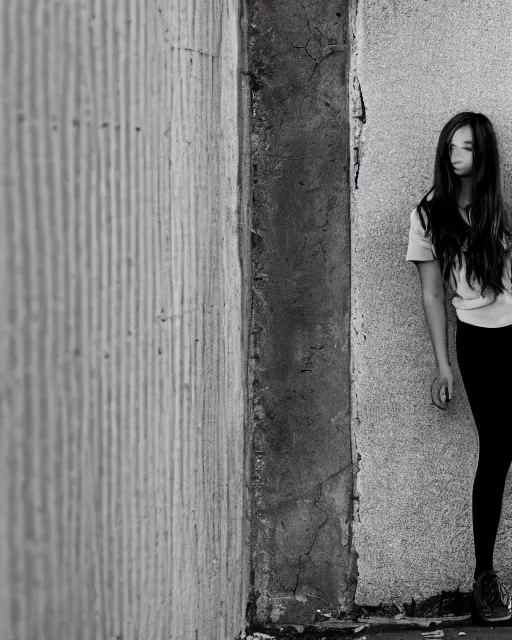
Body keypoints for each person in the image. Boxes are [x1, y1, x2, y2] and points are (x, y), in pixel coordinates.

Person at [406, 111, 512, 624]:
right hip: (479, 343)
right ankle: (484, 576)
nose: (455, 154)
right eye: (450, 145)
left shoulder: (502, 208)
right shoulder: (428, 214)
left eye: (466, 147)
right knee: (498, 448)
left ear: (482, 154)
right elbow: (431, 294)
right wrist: (442, 364)